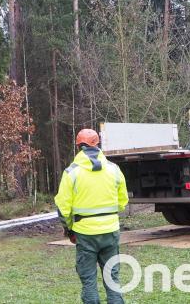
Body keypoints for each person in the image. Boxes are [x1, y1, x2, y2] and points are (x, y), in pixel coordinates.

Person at [54, 128, 129, 304]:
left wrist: (69, 230)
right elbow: (123, 200)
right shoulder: (114, 169)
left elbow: (62, 207)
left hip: (84, 233)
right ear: (97, 144)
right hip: (110, 231)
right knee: (112, 279)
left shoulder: (71, 172)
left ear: (79, 146)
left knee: (88, 281)